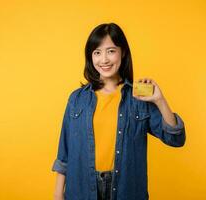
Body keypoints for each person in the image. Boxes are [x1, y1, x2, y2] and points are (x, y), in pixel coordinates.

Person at [52, 22, 186, 200]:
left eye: (111, 51)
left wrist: (160, 100)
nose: (104, 60)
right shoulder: (77, 99)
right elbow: (64, 152)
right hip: (82, 189)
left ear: (122, 52)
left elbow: (176, 139)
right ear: (90, 57)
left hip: (126, 190)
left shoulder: (138, 96)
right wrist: (57, 193)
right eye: (97, 53)